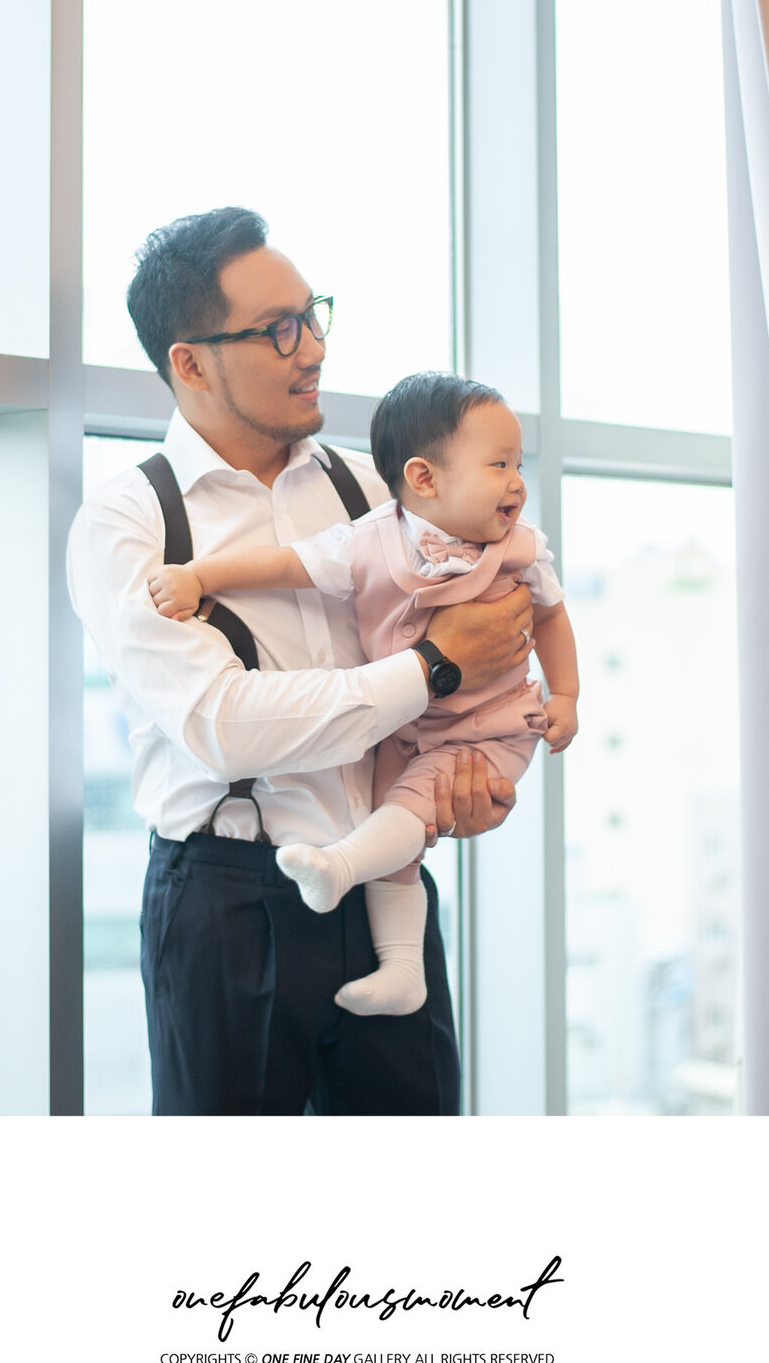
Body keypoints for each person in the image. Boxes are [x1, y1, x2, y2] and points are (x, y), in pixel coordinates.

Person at [65, 206, 533, 1115]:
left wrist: (468, 779)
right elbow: (224, 728)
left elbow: (489, 648)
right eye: (278, 329)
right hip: (229, 904)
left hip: (386, 882)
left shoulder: (377, 489)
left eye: (313, 315)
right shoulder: (128, 522)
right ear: (190, 363)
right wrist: (433, 667)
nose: (312, 348)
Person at [146, 371, 581, 1018]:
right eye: (500, 465)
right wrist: (198, 576)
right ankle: (401, 969)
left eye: (518, 465)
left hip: (489, 727)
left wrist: (565, 695)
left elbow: (550, 617)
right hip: (399, 729)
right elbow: (285, 563)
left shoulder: (521, 549)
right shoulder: (370, 538)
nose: (517, 482)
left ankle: (342, 868)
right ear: (424, 478)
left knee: (406, 810)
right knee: (395, 824)